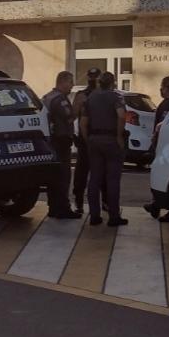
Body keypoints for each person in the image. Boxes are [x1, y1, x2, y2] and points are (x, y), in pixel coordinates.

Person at [80, 71, 128, 227]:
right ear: (113, 83)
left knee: (94, 178)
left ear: (100, 83)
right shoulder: (116, 97)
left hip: (94, 140)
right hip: (111, 140)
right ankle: (114, 216)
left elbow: (83, 123)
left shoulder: (91, 98)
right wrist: (119, 136)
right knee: (112, 179)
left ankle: (94, 215)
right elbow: (121, 115)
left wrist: (88, 139)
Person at [144, 77, 169, 222]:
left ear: (166, 88)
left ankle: (159, 205)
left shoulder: (166, 104)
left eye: (161, 87)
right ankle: (156, 205)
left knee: (162, 177)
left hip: (165, 146)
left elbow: (161, 126)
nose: (160, 89)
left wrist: (153, 145)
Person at [41, 71, 78, 219]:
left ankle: (53, 207)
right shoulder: (60, 99)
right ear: (62, 82)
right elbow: (69, 116)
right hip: (61, 141)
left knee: (53, 176)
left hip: (50, 141)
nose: (72, 85)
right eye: (70, 82)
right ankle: (63, 208)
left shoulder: (47, 97)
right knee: (63, 176)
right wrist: (79, 106)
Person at [71, 68, 101, 216]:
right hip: (89, 139)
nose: (92, 80)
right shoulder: (83, 95)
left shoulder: (84, 95)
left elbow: (73, 117)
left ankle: (81, 203)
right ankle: (79, 201)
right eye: (92, 77)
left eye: (93, 77)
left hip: (90, 138)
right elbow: (73, 116)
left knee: (86, 173)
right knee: (84, 173)